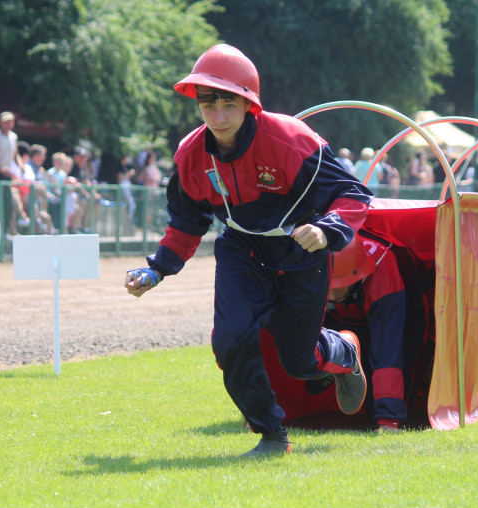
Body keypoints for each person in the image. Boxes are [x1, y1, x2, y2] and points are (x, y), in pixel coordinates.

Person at [123, 44, 372, 456]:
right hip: (241, 250)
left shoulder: (292, 140)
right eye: (208, 105)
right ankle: (271, 434)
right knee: (230, 340)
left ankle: (344, 351)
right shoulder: (189, 156)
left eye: (228, 104)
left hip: (301, 250)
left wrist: (327, 230)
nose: (218, 117)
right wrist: (156, 270)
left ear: (249, 103)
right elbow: (187, 224)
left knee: (298, 362)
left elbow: (353, 194)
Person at [322, 234, 435, 432]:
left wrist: (388, 421)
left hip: (407, 304)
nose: (331, 295)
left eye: (338, 287)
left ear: (357, 275)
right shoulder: (314, 260)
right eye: (328, 287)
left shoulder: (384, 269)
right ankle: (331, 366)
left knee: (400, 360)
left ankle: (390, 417)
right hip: (351, 309)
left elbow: (387, 351)